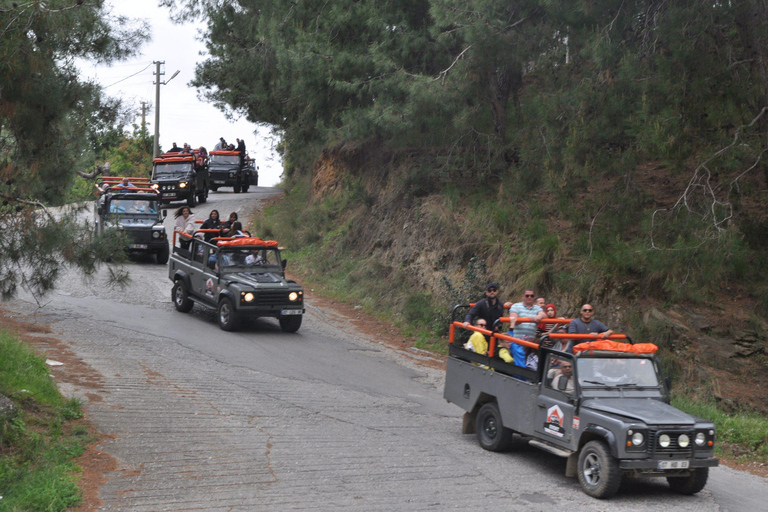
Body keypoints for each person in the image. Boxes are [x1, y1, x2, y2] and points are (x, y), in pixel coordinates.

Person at [501, 289, 545, 366]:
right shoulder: (516, 306)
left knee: (531, 363)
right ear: (523, 296)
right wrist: (530, 319)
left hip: (530, 343)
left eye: (531, 296)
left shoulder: (537, 308)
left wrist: (539, 316)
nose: (529, 297)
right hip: (517, 341)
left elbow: (544, 315)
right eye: (527, 295)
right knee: (519, 362)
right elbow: (514, 319)